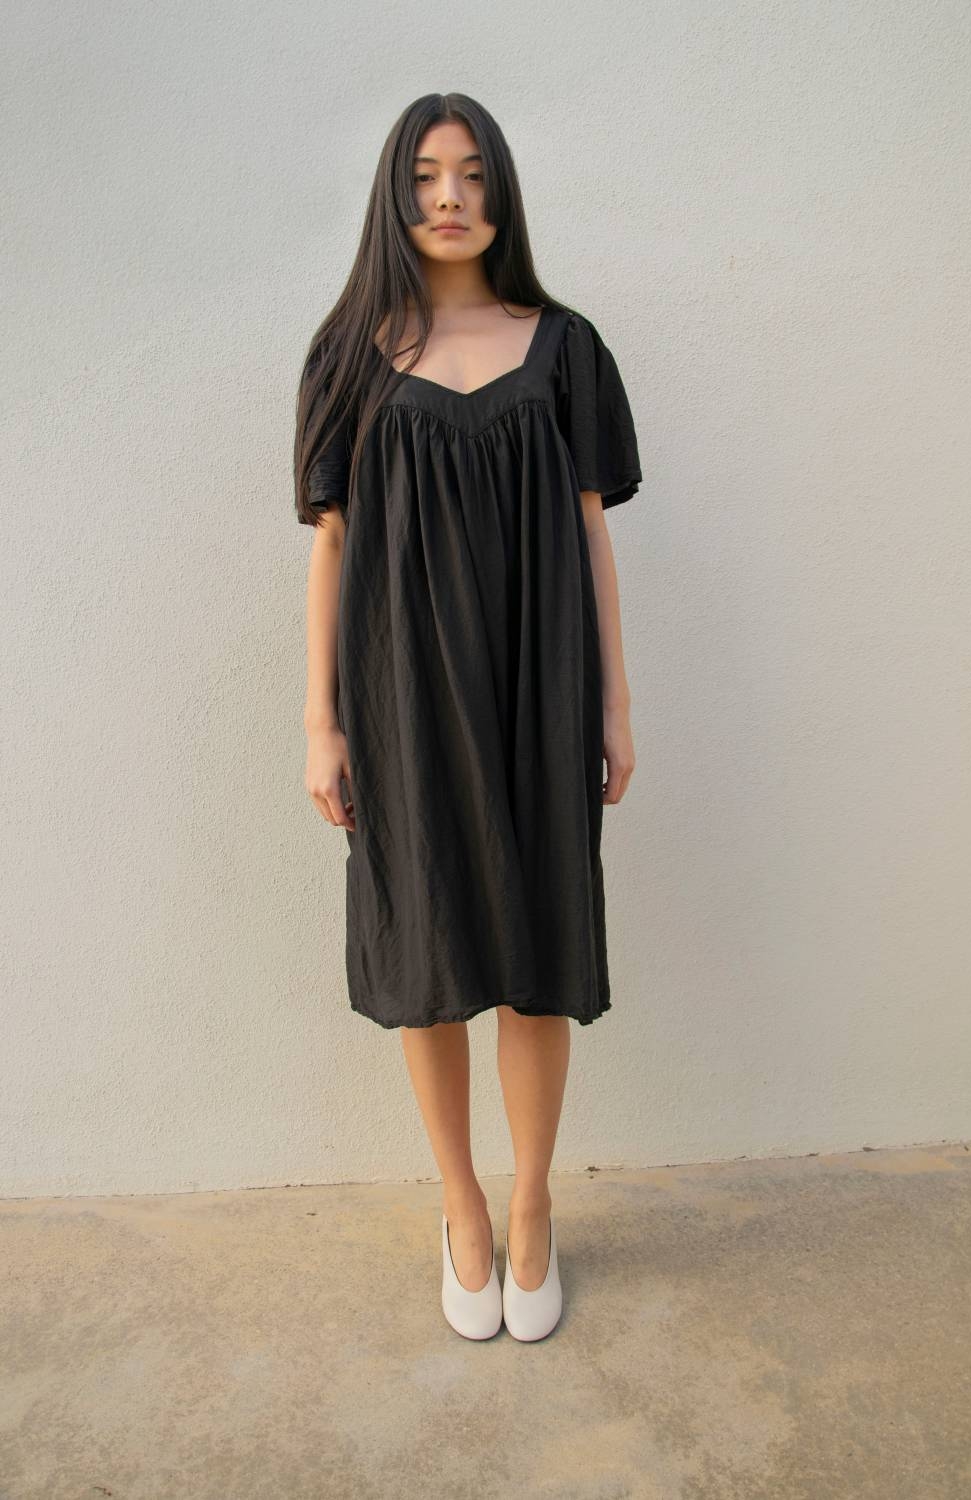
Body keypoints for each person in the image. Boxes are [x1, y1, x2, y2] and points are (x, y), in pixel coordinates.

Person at [293, 93, 643, 1341]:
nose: (450, 198)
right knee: (430, 957)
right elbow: (332, 544)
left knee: (537, 951)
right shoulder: (347, 356)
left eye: (474, 174)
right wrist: (321, 722)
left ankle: (534, 1204)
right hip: (399, 696)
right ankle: (462, 1206)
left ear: (502, 195)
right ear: (395, 196)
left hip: (541, 689)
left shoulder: (566, 349)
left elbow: (591, 535)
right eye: (426, 176)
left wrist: (613, 704)